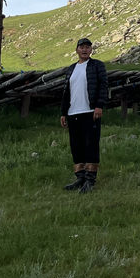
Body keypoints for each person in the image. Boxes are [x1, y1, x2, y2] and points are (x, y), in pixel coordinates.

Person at [60, 37, 108, 193]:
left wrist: (99, 106)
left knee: (91, 145)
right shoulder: (71, 68)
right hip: (73, 112)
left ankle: (90, 180)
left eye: (88, 47)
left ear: (91, 50)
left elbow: (103, 86)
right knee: (76, 146)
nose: (85, 49)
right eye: (82, 47)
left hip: (90, 112)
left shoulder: (97, 66)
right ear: (77, 50)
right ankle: (80, 177)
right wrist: (63, 112)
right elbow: (66, 91)